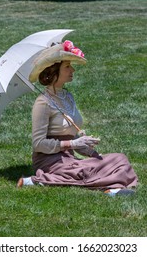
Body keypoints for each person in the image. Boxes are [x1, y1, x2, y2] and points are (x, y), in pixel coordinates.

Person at [17, 40, 138, 196]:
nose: (72, 69)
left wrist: (85, 147)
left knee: (119, 159)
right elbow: (38, 144)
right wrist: (73, 143)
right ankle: (110, 190)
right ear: (54, 71)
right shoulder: (43, 103)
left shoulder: (67, 96)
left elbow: (71, 136)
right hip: (51, 161)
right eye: (67, 66)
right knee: (86, 170)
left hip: (68, 159)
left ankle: (108, 185)